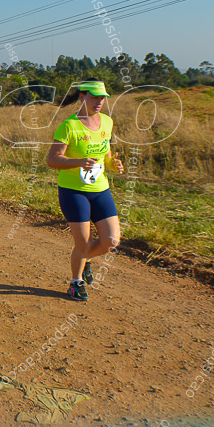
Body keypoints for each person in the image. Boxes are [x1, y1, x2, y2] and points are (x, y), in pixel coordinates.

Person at [45, 80, 123, 301]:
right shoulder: (69, 126)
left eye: (102, 97)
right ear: (82, 96)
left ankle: (85, 258)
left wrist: (112, 164)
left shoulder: (107, 122)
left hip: (100, 188)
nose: (99, 101)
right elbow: (52, 160)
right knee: (83, 243)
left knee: (111, 240)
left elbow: (105, 155)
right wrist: (79, 162)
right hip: (73, 191)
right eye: (95, 97)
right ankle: (75, 282)